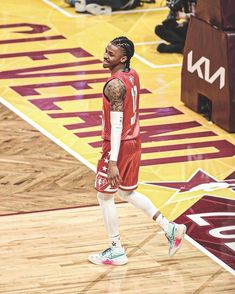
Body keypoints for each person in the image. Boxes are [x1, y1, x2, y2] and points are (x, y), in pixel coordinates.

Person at [88, 36, 186, 266]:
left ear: (122, 58)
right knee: (128, 192)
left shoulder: (114, 85)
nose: (105, 56)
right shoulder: (132, 75)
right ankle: (170, 228)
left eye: (110, 54)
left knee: (105, 196)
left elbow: (118, 124)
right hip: (134, 141)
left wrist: (112, 161)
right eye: (105, 50)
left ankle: (116, 250)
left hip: (119, 144)